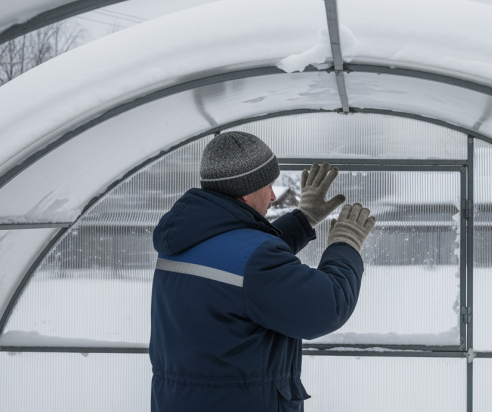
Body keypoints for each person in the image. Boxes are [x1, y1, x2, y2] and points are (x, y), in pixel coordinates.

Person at [149, 131, 376, 412]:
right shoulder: (252, 261)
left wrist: (302, 220)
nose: (272, 196)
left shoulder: (183, 239)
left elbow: (242, 261)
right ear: (245, 190)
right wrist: (346, 243)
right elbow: (328, 307)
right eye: (267, 186)